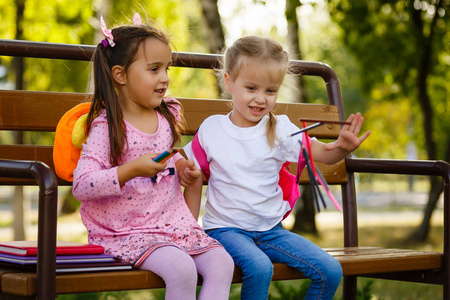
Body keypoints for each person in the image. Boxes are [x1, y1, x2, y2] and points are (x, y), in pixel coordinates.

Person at [183, 36, 371, 300]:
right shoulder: (212, 129)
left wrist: (342, 147)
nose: (260, 99)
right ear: (228, 82)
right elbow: (186, 168)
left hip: (271, 231)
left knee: (329, 270)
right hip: (225, 229)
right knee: (260, 268)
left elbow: (324, 155)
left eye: (270, 91)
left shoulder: (280, 129)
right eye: (251, 88)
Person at [72, 14, 234, 300]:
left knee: (222, 263)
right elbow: (82, 185)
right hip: (125, 231)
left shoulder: (167, 114)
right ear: (120, 75)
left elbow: (171, 157)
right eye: (154, 69)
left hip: (172, 226)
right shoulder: (107, 126)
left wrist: (184, 168)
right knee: (182, 269)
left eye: (166, 68)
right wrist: (130, 170)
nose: (164, 78)